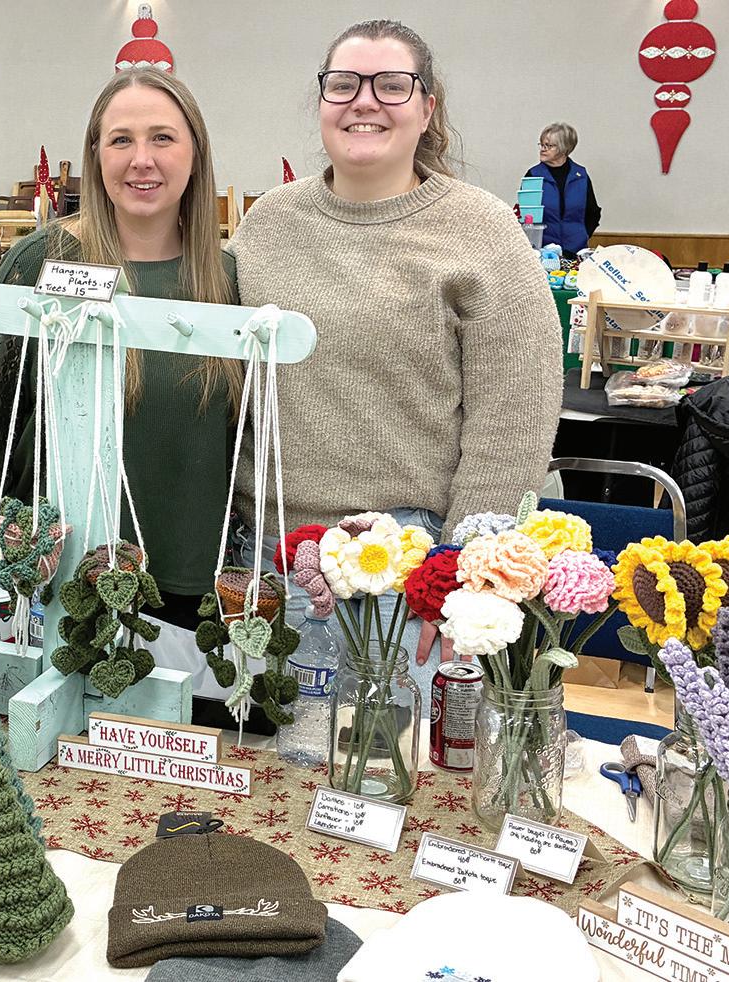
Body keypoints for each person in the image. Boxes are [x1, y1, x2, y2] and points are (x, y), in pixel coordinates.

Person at [228, 19, 562, 695]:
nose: (364, 101)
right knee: (259, 756)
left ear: (427, 107)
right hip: (260, 562)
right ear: (322, 100)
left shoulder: (482, 231)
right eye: (344, 84)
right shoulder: (268, 224)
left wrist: (465, 578)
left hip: (405, 580)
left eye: (391, 85)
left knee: (386, 757)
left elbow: (514, 422)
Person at [0, 68, 242, 638]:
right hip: (60, 581)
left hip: (191, 589)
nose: (142, 159)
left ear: (195, 154)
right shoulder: (42, 261)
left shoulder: (227, 278)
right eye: (121, 140)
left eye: (162, 138)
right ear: (95, 155)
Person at [525, 122, 601, 258]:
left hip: (576, 251)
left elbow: (593, 213)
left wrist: (582, 235)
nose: (543, 149)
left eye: (549, 146)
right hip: (543, 252)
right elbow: (526, 216)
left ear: (564, 148)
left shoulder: (581, 176)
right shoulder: (533, 175)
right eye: (542, 144)